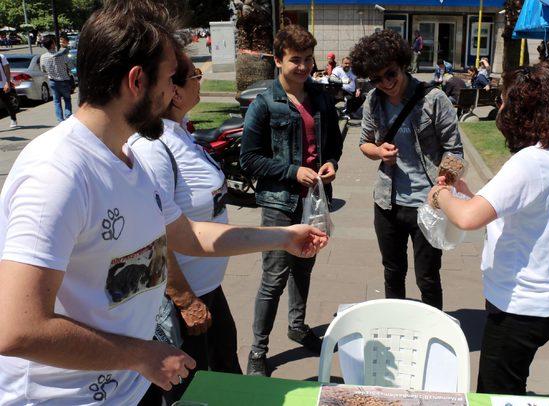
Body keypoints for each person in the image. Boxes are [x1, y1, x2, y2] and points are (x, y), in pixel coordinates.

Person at [0, 2, 328, 404]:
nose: (175, 92)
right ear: (137, 81)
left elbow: (189, 236)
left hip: (131, 386)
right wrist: (141, 354)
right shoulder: (57, 173)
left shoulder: (129, 158)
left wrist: (284, 236)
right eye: (171, 79)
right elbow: (18, 328)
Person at [426, 63, 549, 395]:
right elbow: (518, 209)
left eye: (503, 101)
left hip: (520, 306)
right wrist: (468, 194)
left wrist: (440, 195)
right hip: (544, 301)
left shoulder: (530, 162)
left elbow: (467, 218)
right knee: (511, 382)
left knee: (496, 394)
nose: (499, 108)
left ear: (520, 109)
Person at [130, 51, 240, 405]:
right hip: (183, 298)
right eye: (194, 74)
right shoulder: (153, 146)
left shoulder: (180, 133)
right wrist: (185, 298)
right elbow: (156, 234)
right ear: (174, 91)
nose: (200, 80)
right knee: (194, 393)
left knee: (224, 377)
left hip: (208, 287)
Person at [240, 24, 343, 376]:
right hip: (279, 203)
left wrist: (331, 163)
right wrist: (291, 171)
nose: (303, 67)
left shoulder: (321, 97)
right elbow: (249, 159)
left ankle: (297, 326)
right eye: (295, 60)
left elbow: (334, 145)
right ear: (278, 59)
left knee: (305, 266)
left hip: (314, 200)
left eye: (308, 59)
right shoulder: (265, 103)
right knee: (274, 277)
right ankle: (258, 350)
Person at [350, 29, 462, 311]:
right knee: (392, 271)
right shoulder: (374, 101)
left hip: (428, 203)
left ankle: (435, 332)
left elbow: (455, 149)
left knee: (427, 276)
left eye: (390, 74)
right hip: (387, 202)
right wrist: (379, 152)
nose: (385, 83)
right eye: (376, 78)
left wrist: (445, 179)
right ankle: (396, 327)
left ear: (402, 64)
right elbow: (364, 143)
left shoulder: (434, 99)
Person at [40, 35, 73, 122]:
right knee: (67, 99)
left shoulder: (43, 57)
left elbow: (42, 69)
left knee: (57, 102)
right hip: (64, 80)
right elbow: (71, 66)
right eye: (54, 42)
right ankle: (68, 117)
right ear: (52, 45)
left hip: (52, 81)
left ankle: (60, 120)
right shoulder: (61, 55)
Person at [0, 52, 18, 129]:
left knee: (7, 103)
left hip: (2, 85)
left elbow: (7, 70)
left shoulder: (1, 57)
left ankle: (13, 119)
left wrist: (7, 83)